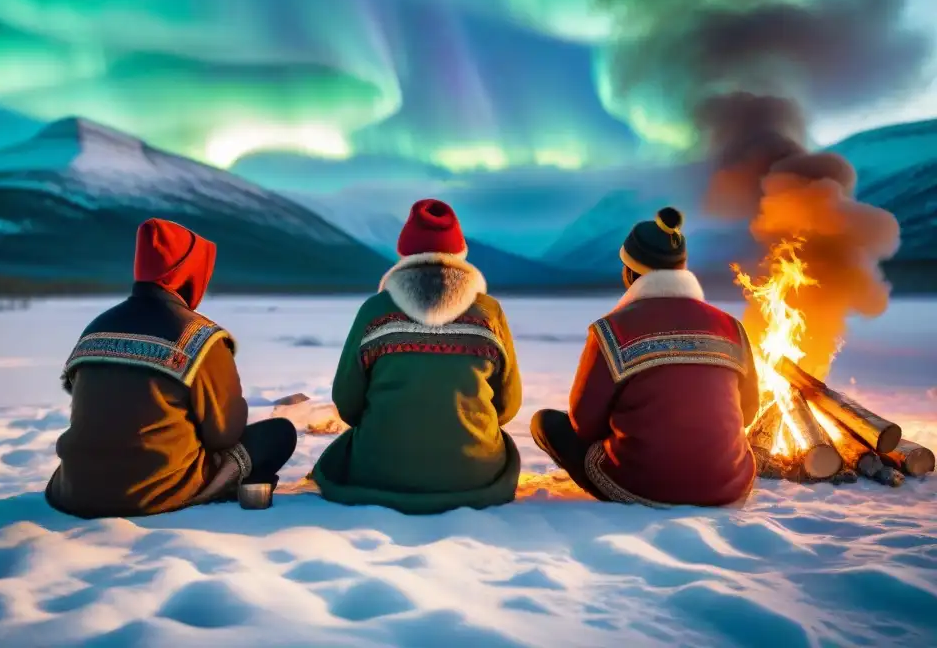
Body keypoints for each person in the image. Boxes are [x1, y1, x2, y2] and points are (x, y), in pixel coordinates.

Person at [45, 218, 298, 518]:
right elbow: (223, 435)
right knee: (279, 434)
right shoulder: (199, 337)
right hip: (154, 492)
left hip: (73, 491)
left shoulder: (95, 330)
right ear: (189, 272)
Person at [531, 207, 760, 508]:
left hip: (642, 486)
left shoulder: (611, 330)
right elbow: (749, 410)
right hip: (729, 486)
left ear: (629, 271)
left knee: (544, 423)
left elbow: (583, 424)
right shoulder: (732, 327)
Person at [312, 199, 523, 514]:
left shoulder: (374, 312)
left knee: (342, 453)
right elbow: (508, 405)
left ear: (403, 255)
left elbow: (347, 401)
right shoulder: (488, 313)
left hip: (381, 470)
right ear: (461, 255)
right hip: (475, 473)